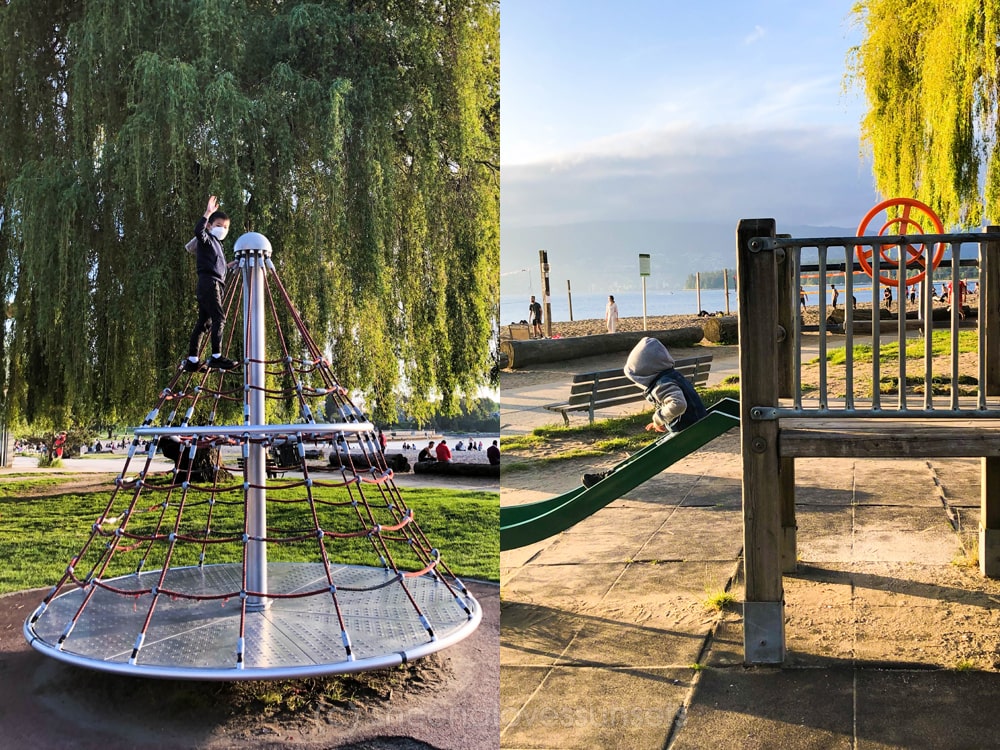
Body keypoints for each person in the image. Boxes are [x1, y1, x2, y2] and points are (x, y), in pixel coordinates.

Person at [582, 337, 707, 488]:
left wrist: (658, 418)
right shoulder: (671, 377)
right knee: (649, 453)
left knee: (649, 459)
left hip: (687, 431)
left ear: (644, 373)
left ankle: (611, 479)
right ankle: (611, 473)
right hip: (691, 427)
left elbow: (678, 404)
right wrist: (660, 421)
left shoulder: (663, 384)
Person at [184, 195, 238, 372]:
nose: (222, 229)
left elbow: (217, 264)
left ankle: (192, 360)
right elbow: (198, 231)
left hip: (211, 284)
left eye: (225, 227)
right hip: (209, 283)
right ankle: (216, 356)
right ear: (209, 226)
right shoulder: (206, 239)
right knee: (219, 318)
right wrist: (207, 213)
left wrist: (229, 265)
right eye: (218, 226)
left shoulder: (217, 245)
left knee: (204, 323)